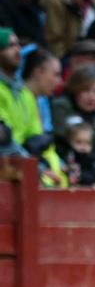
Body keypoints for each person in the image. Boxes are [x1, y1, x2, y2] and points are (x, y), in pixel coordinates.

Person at [0, 28, 65, 186]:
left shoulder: (25, 94)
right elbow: (3, 138)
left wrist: (42, 168)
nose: (17, 50)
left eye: (17, 45)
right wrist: (37, 170)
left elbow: (35, 141)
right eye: (10, 46)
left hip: (21, 168)